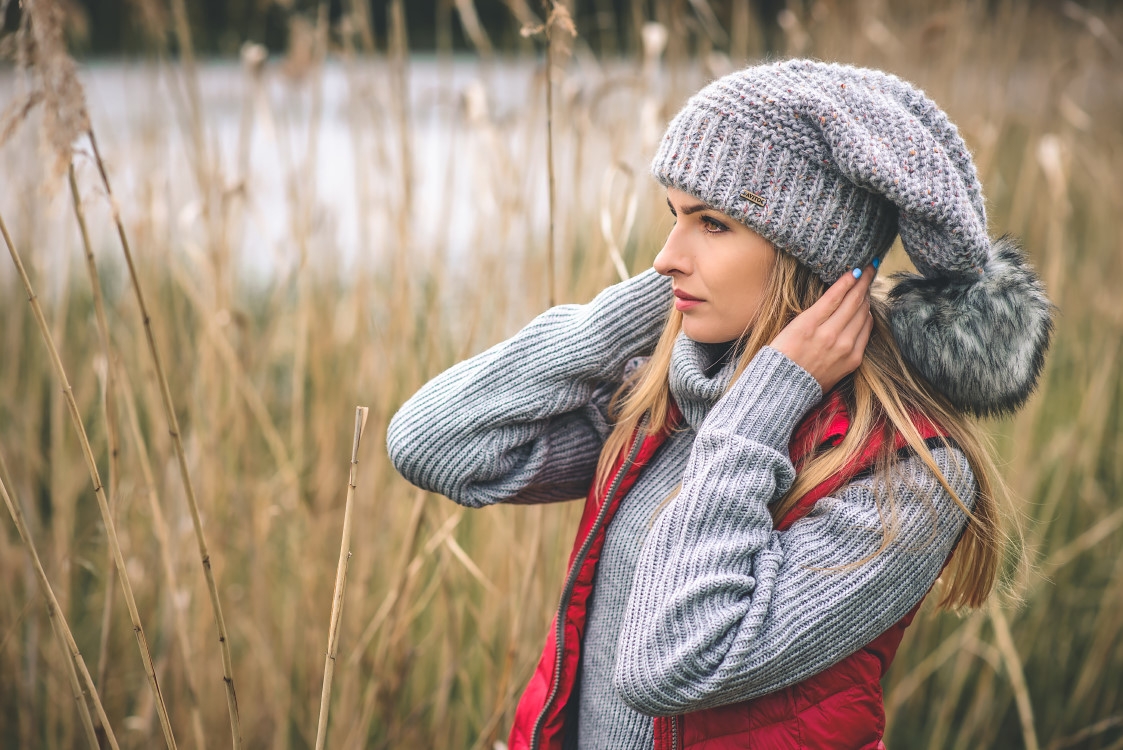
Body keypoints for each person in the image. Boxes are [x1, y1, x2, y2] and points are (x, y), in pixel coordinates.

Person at [386, 59, 1054, 750]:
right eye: (673, 216)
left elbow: (671, 664)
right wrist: (635, 314)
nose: (664, 256)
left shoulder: (904, 476)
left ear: (808, 252)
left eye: (711, 224)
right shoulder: (670, 399)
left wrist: (765, 403)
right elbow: (435, 445)